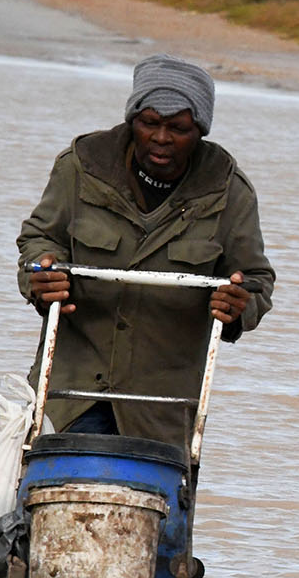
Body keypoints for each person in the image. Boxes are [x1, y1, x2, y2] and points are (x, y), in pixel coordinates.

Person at [18, 54, 275, 448]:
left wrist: (236, 306)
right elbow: (38, 239)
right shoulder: (81, 167)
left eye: (178, 128)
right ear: (132, 120)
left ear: (200, 130)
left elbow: (255, 282)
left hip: (161, 413)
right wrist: (41, 275)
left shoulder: (229, 192)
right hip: (70, 396)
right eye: (149, 123)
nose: (161, 138)